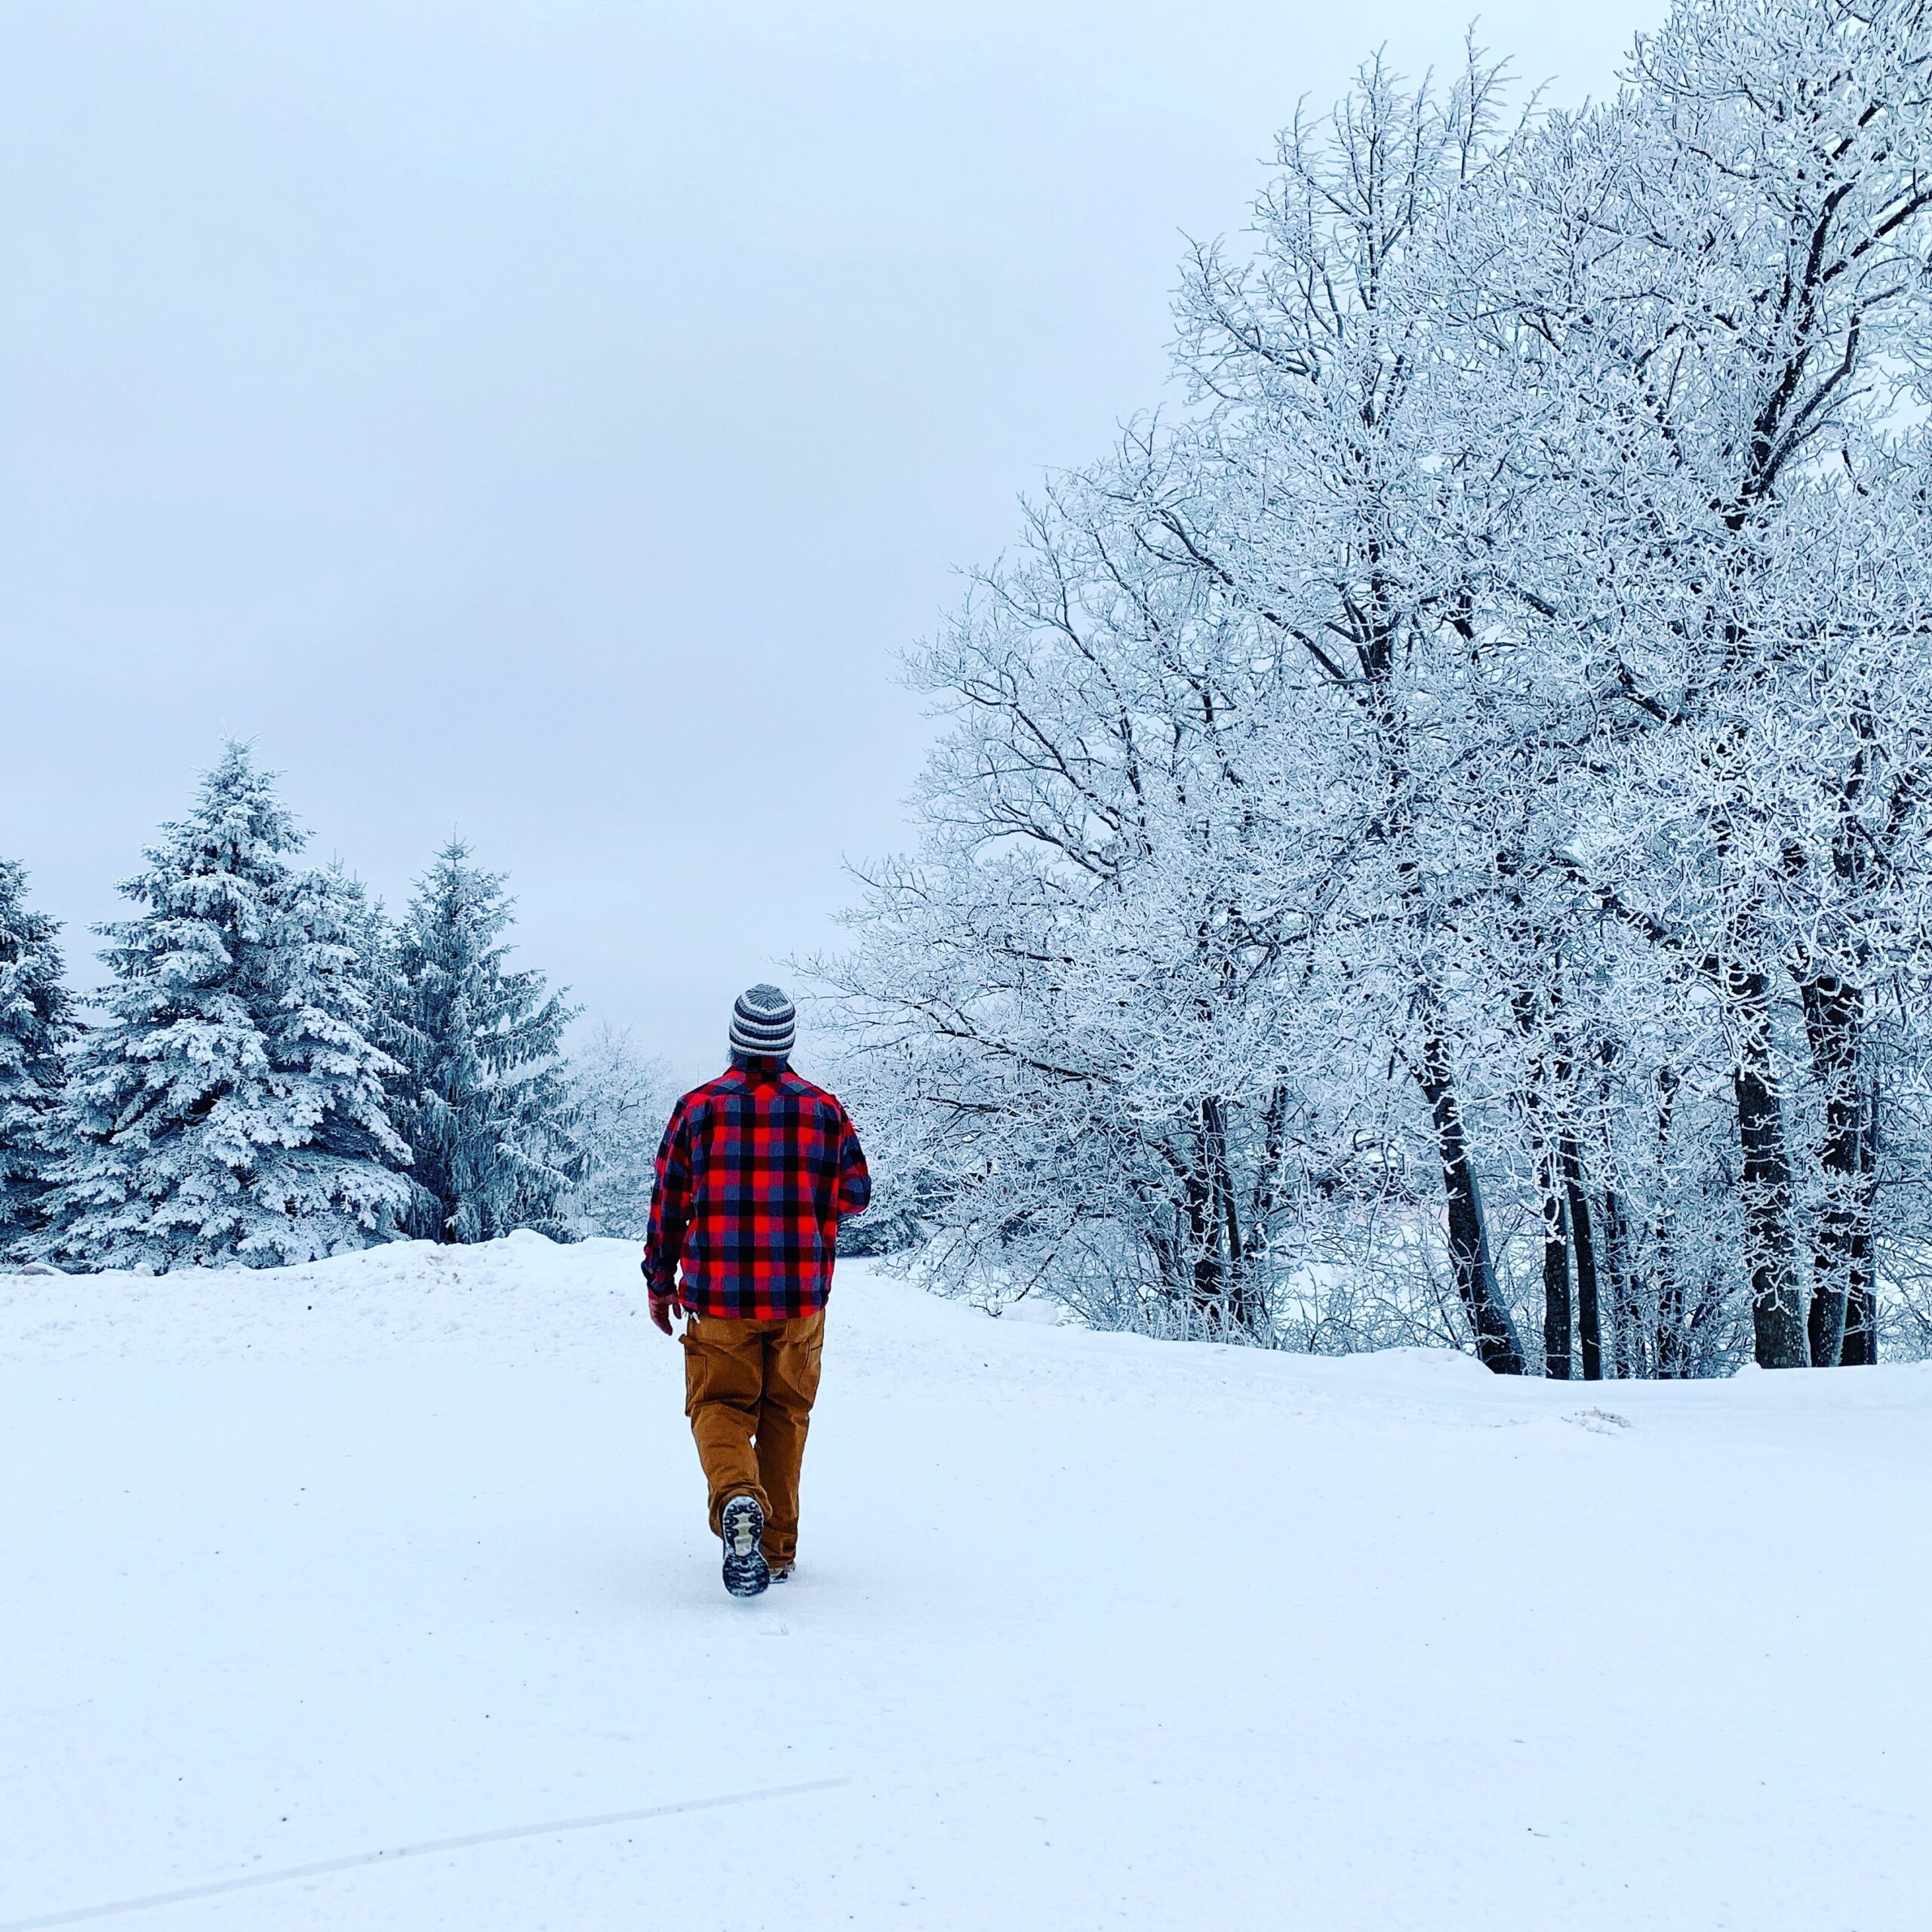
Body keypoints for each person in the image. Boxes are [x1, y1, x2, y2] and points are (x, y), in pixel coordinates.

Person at [641, 983, 871, 1598]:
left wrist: (660, 1284)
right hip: (800, 1300)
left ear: (736, 1039)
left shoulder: (697, 1110)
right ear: (787, 1041)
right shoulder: (824, 1110)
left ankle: (738, 1497)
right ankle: (775, 1551)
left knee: (718, 1405)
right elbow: (856, 1196)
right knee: (785, 1415)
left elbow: (667, 1207)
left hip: (719, 1298)